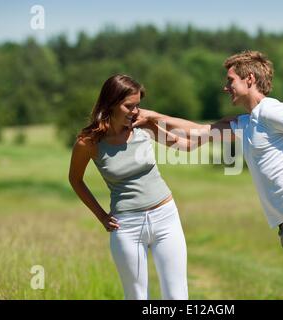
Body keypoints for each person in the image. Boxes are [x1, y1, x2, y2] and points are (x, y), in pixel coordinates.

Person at [133, 51, 283, 300]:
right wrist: (152, 122)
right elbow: (193, 137)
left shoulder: (272, 111)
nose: (225, 87)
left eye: (230, 80)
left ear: (249, 79)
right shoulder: (245, 123)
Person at [68, 74, 193, 300]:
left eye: (138, 105)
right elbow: (75, 180)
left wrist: (156, 120)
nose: (136, 111)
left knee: (177, 296)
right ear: (112, 103)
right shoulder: (88, 142)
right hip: (126, 227)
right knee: (136, 296)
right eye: (129, 106)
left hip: (165, 217)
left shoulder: (144, 127)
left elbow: (186, 146)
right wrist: (101, 216)